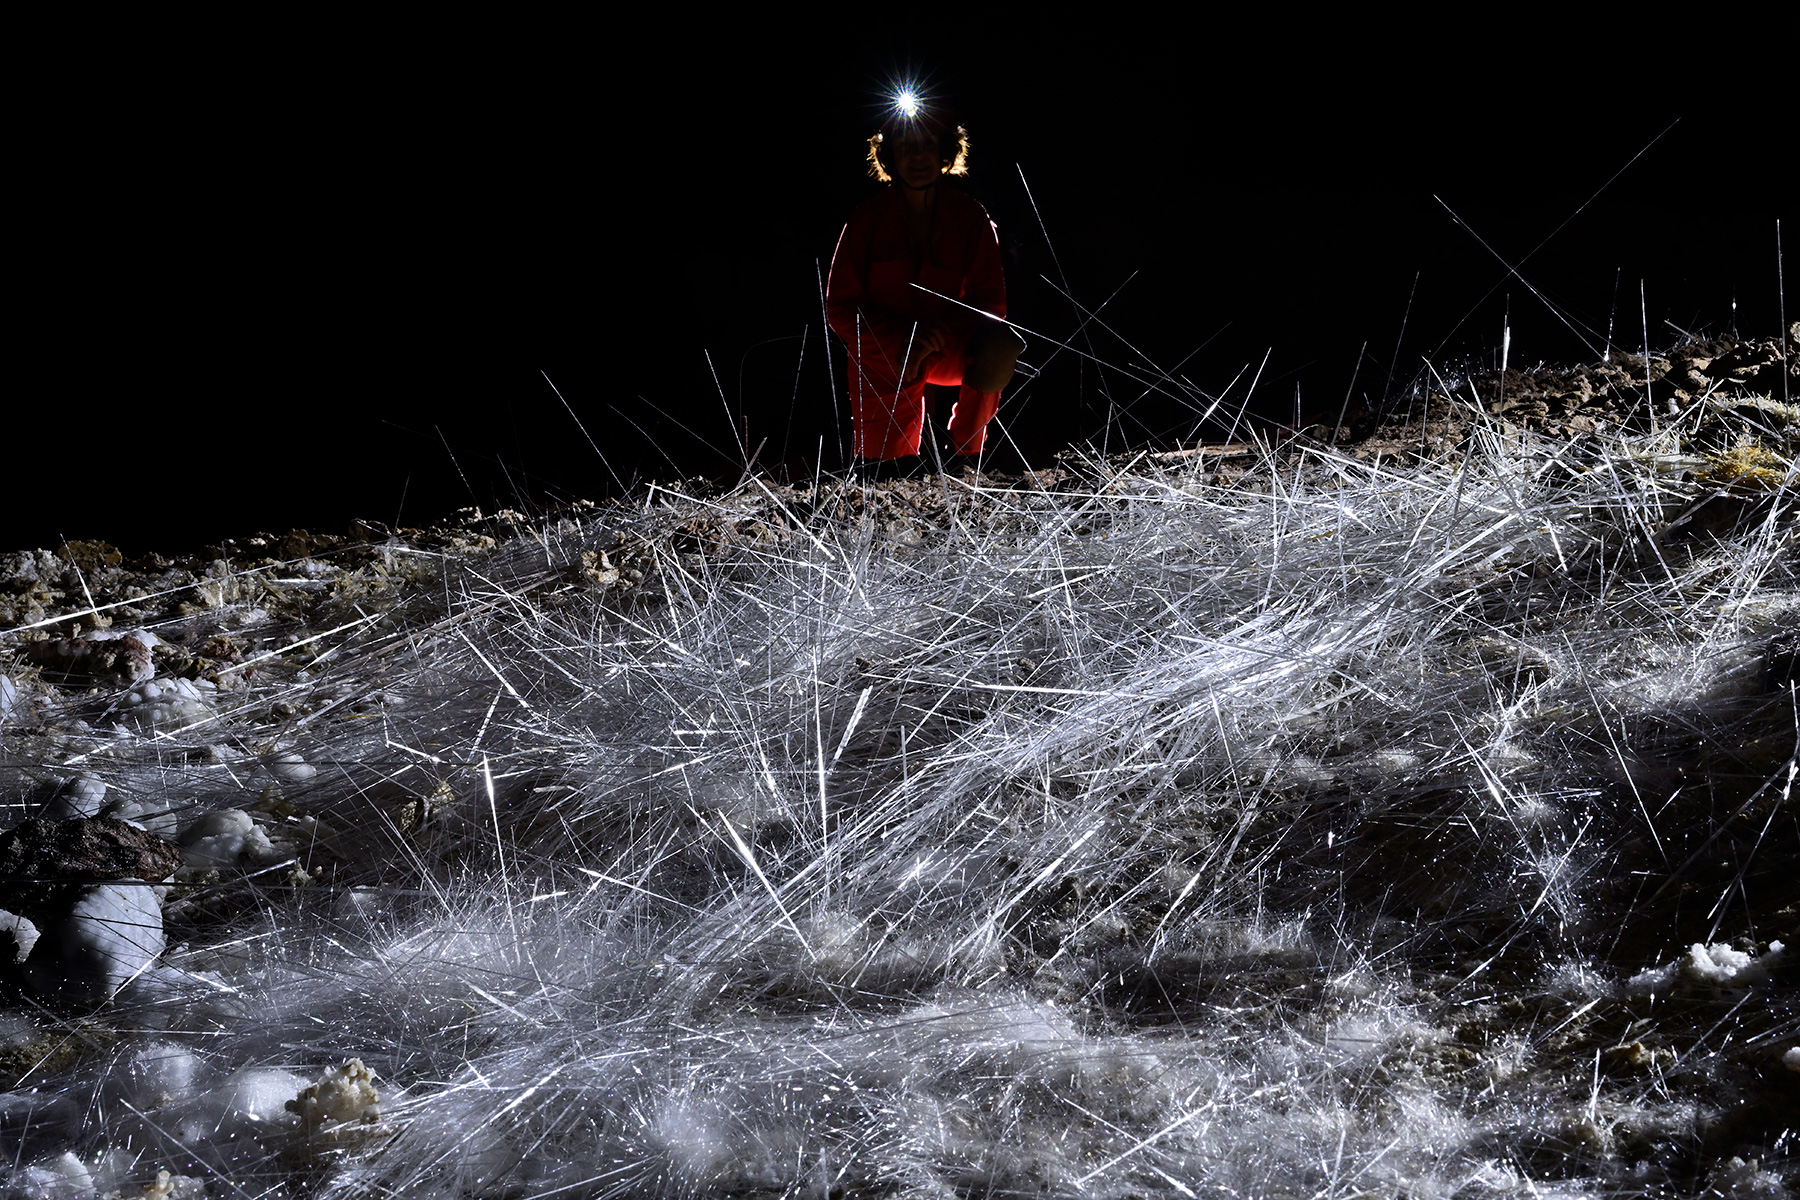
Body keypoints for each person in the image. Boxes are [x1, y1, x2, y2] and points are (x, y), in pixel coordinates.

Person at [826, 95, 1024, 473]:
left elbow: (991, 304)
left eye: (927, 145)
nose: (917, 157)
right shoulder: (866, 220)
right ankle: (895, 467)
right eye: (905, 146)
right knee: (886, 472)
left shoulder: (970, 217)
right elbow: (839, 308)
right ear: (890, 157)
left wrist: (938, 334)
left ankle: (966, 456)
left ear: (944, 152)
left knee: (999, 345)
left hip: (948, 344)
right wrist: (901, 339)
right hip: (886, 352)